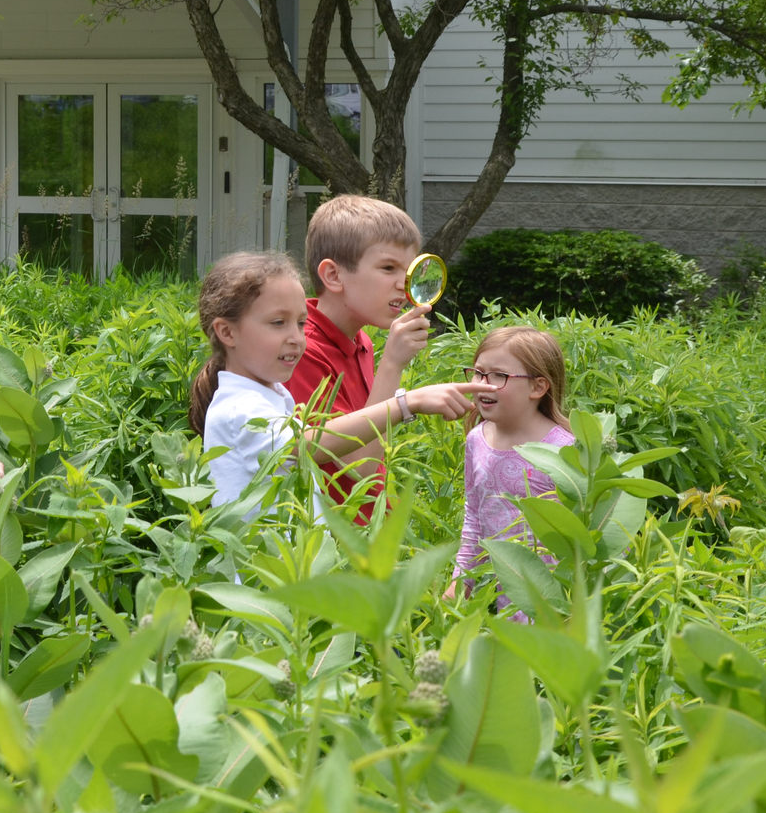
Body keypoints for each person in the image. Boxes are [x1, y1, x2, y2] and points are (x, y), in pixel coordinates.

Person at [189, 251, 469, 515]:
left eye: (300, 323)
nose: (297, 338)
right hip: (259, 565)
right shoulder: (238, 408)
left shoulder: (268, 395)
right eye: (277, 322)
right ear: (227, 332)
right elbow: (305, 444)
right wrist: (405, 404)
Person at [287, 195, 481, 518]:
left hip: (369, 535)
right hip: (332, 546)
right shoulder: (300, 350)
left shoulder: (361, 340)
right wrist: (393, 365)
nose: (403, 286)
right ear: (333, 276)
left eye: (409, 272)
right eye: (389, 268)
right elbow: (359, 467)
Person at [447, 325, 577, 615]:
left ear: (538, 387)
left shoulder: (565, 450)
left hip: (559, 603)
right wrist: (460, 584)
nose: (483, 384)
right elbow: (475, 519)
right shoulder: (477, 440)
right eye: (479, 373)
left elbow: (591, 529)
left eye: (499, 376)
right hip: (505, 604)